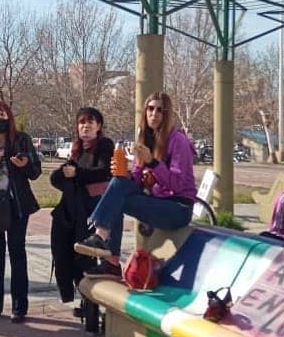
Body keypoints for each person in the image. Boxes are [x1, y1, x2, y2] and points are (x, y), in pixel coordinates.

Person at [75, 92, 196, 277]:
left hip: (178, 208)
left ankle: (102, 241)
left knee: (117, 195)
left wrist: (152, 162)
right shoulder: (145, 138)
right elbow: (138, 182)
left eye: (160, 110)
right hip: (157, 202)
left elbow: (178, 185)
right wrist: (125, 175)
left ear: (167, 114)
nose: (154, 114)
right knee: (116, 186)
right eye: (150, 109)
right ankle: (110, 258)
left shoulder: (178, 141)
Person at [0, 100, 41, 322]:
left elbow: (35, 171)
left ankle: (19, 307)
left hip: (17, 204)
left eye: (2, 115)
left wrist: (24, 164)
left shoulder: (22, 139)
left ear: (9, 117)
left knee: (17, 252)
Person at [50, 107, 113, 310]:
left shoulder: (104, 144)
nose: (85, 126)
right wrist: (65, 173)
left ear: (98, 126)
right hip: (70, 210)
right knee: (63, 253)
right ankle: (74, 295)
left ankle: (90, 305)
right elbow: (57, 178)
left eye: (90, 122)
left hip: (90, 210)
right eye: (81, 122)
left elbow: (103, 172)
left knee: (84, 257)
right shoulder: (77, 150)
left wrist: (76, 173)